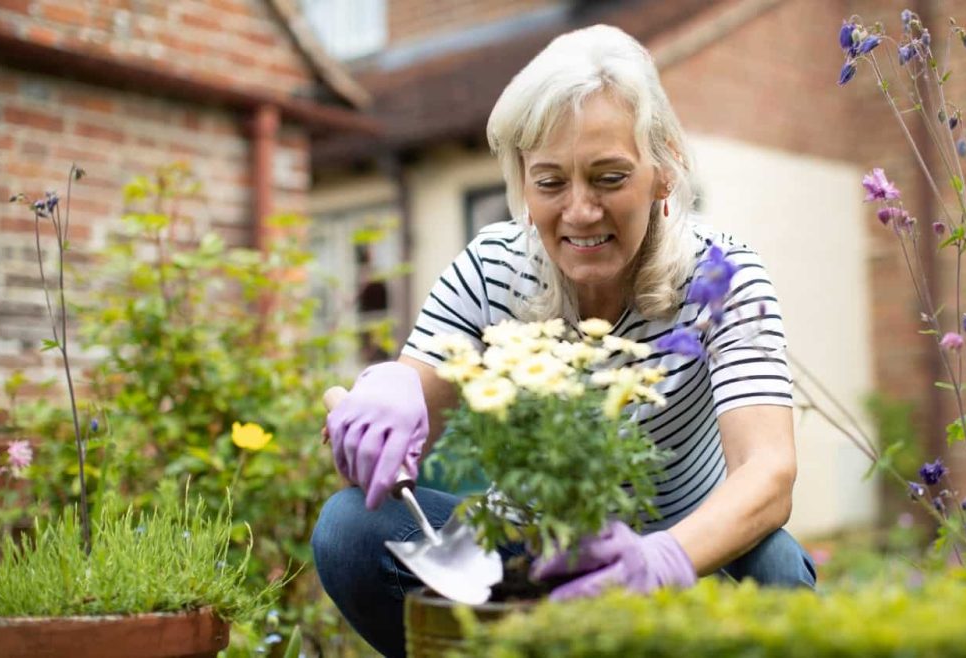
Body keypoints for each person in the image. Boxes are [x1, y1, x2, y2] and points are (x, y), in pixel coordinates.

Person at [311, 24, 816, 658]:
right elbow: (421, 411)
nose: (579, 211)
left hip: (687, 555)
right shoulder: (493, 266)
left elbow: (767, 472)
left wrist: (661, 560)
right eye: (550, 183)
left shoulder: (721, 276)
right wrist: (391, 392)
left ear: (663, 171)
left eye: (608, 178)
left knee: (775, 569)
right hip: (529, 558)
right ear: (522, 182)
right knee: (351, 529)